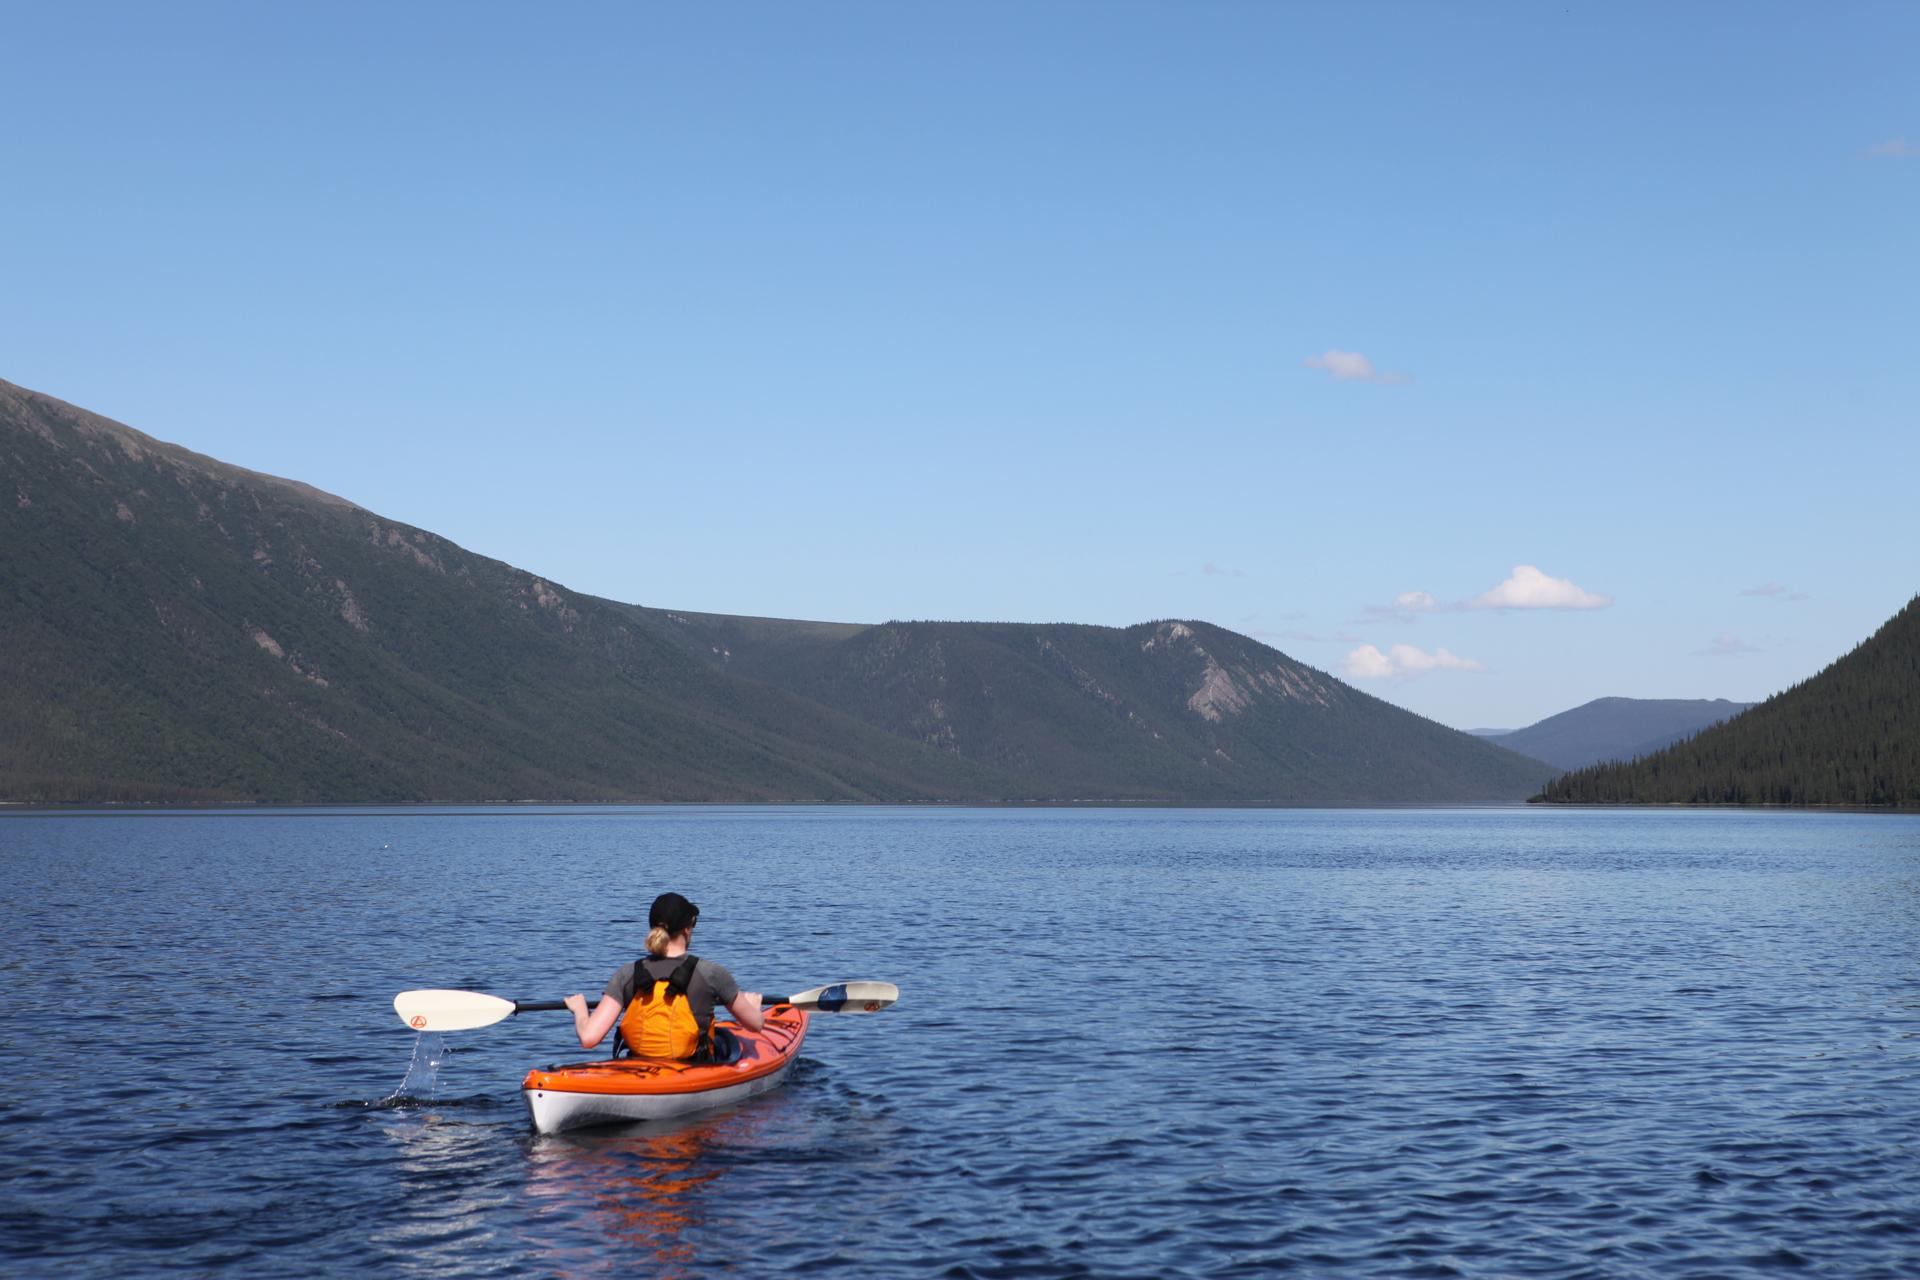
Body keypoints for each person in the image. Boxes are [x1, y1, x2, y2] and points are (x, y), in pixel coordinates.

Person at [563, 892, 764, 1062]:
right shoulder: (712, 973)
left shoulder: (627, 973)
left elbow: (588, 1038)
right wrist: (753, 1006)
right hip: (693, 1069)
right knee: (725, 1043)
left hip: (638, 1066)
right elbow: (755, 1024)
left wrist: (580, 1010)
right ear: (687, 929)